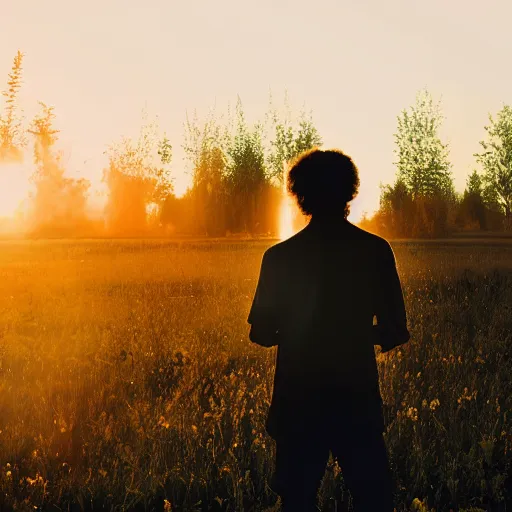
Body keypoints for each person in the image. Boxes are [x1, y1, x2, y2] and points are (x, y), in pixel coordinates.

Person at [248, 149, 410, 511]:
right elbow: (396, 331)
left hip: (297, 403)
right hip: (356, 401)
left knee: (297, 499)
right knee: (374, 499)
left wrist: (297, 333)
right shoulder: (375, 251)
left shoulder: (279, 258)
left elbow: (259, 333)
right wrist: (352, 333)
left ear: (299, 194)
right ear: (349, 192)